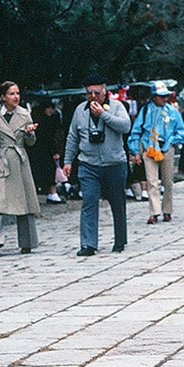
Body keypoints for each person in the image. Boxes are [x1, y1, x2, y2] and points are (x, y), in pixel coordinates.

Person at [63, 74, 132, 256]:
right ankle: (88, 244)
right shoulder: (80, 110)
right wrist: (68, 161)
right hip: (88, 164)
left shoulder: (116, 106)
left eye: (96, 92)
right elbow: (72, 137)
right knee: (89, 203)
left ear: (104, 91)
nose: (93, 96)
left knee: (117, 203)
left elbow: (125, 127)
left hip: (114, 163)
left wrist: (104, 115)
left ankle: (119, 241)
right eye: (88, 93)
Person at [0, 81, 41, 257]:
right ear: (3, 97)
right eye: (12, 94)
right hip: (1, 161)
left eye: (17, 93)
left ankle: (27, 242)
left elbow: (31, 142)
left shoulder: (24, 114)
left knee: (24, 201)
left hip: (19, 160)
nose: (16, 97)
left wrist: (30, 133)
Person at [129, 81, 184, 224]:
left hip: (166, 148)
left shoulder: (173, 111)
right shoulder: (145, 111)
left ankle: (167, 210)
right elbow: (136, 131)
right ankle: (154, 212)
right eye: (161, 96)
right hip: (149, 148)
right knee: (152, 181)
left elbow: (182, 132)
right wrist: (136, 151)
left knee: (167, 182)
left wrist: (173, 140)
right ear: (153, 97)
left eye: (166, 96)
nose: (164, 99)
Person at [29, 100, 64, 204]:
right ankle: (52, 194)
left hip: (35, 152)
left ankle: (34, 197)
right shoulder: (47, 122)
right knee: (49, 173)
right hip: (46, 152)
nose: (51, 111)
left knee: (36, 174)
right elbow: (49, 138)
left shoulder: (35, 119)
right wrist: (55, 150)